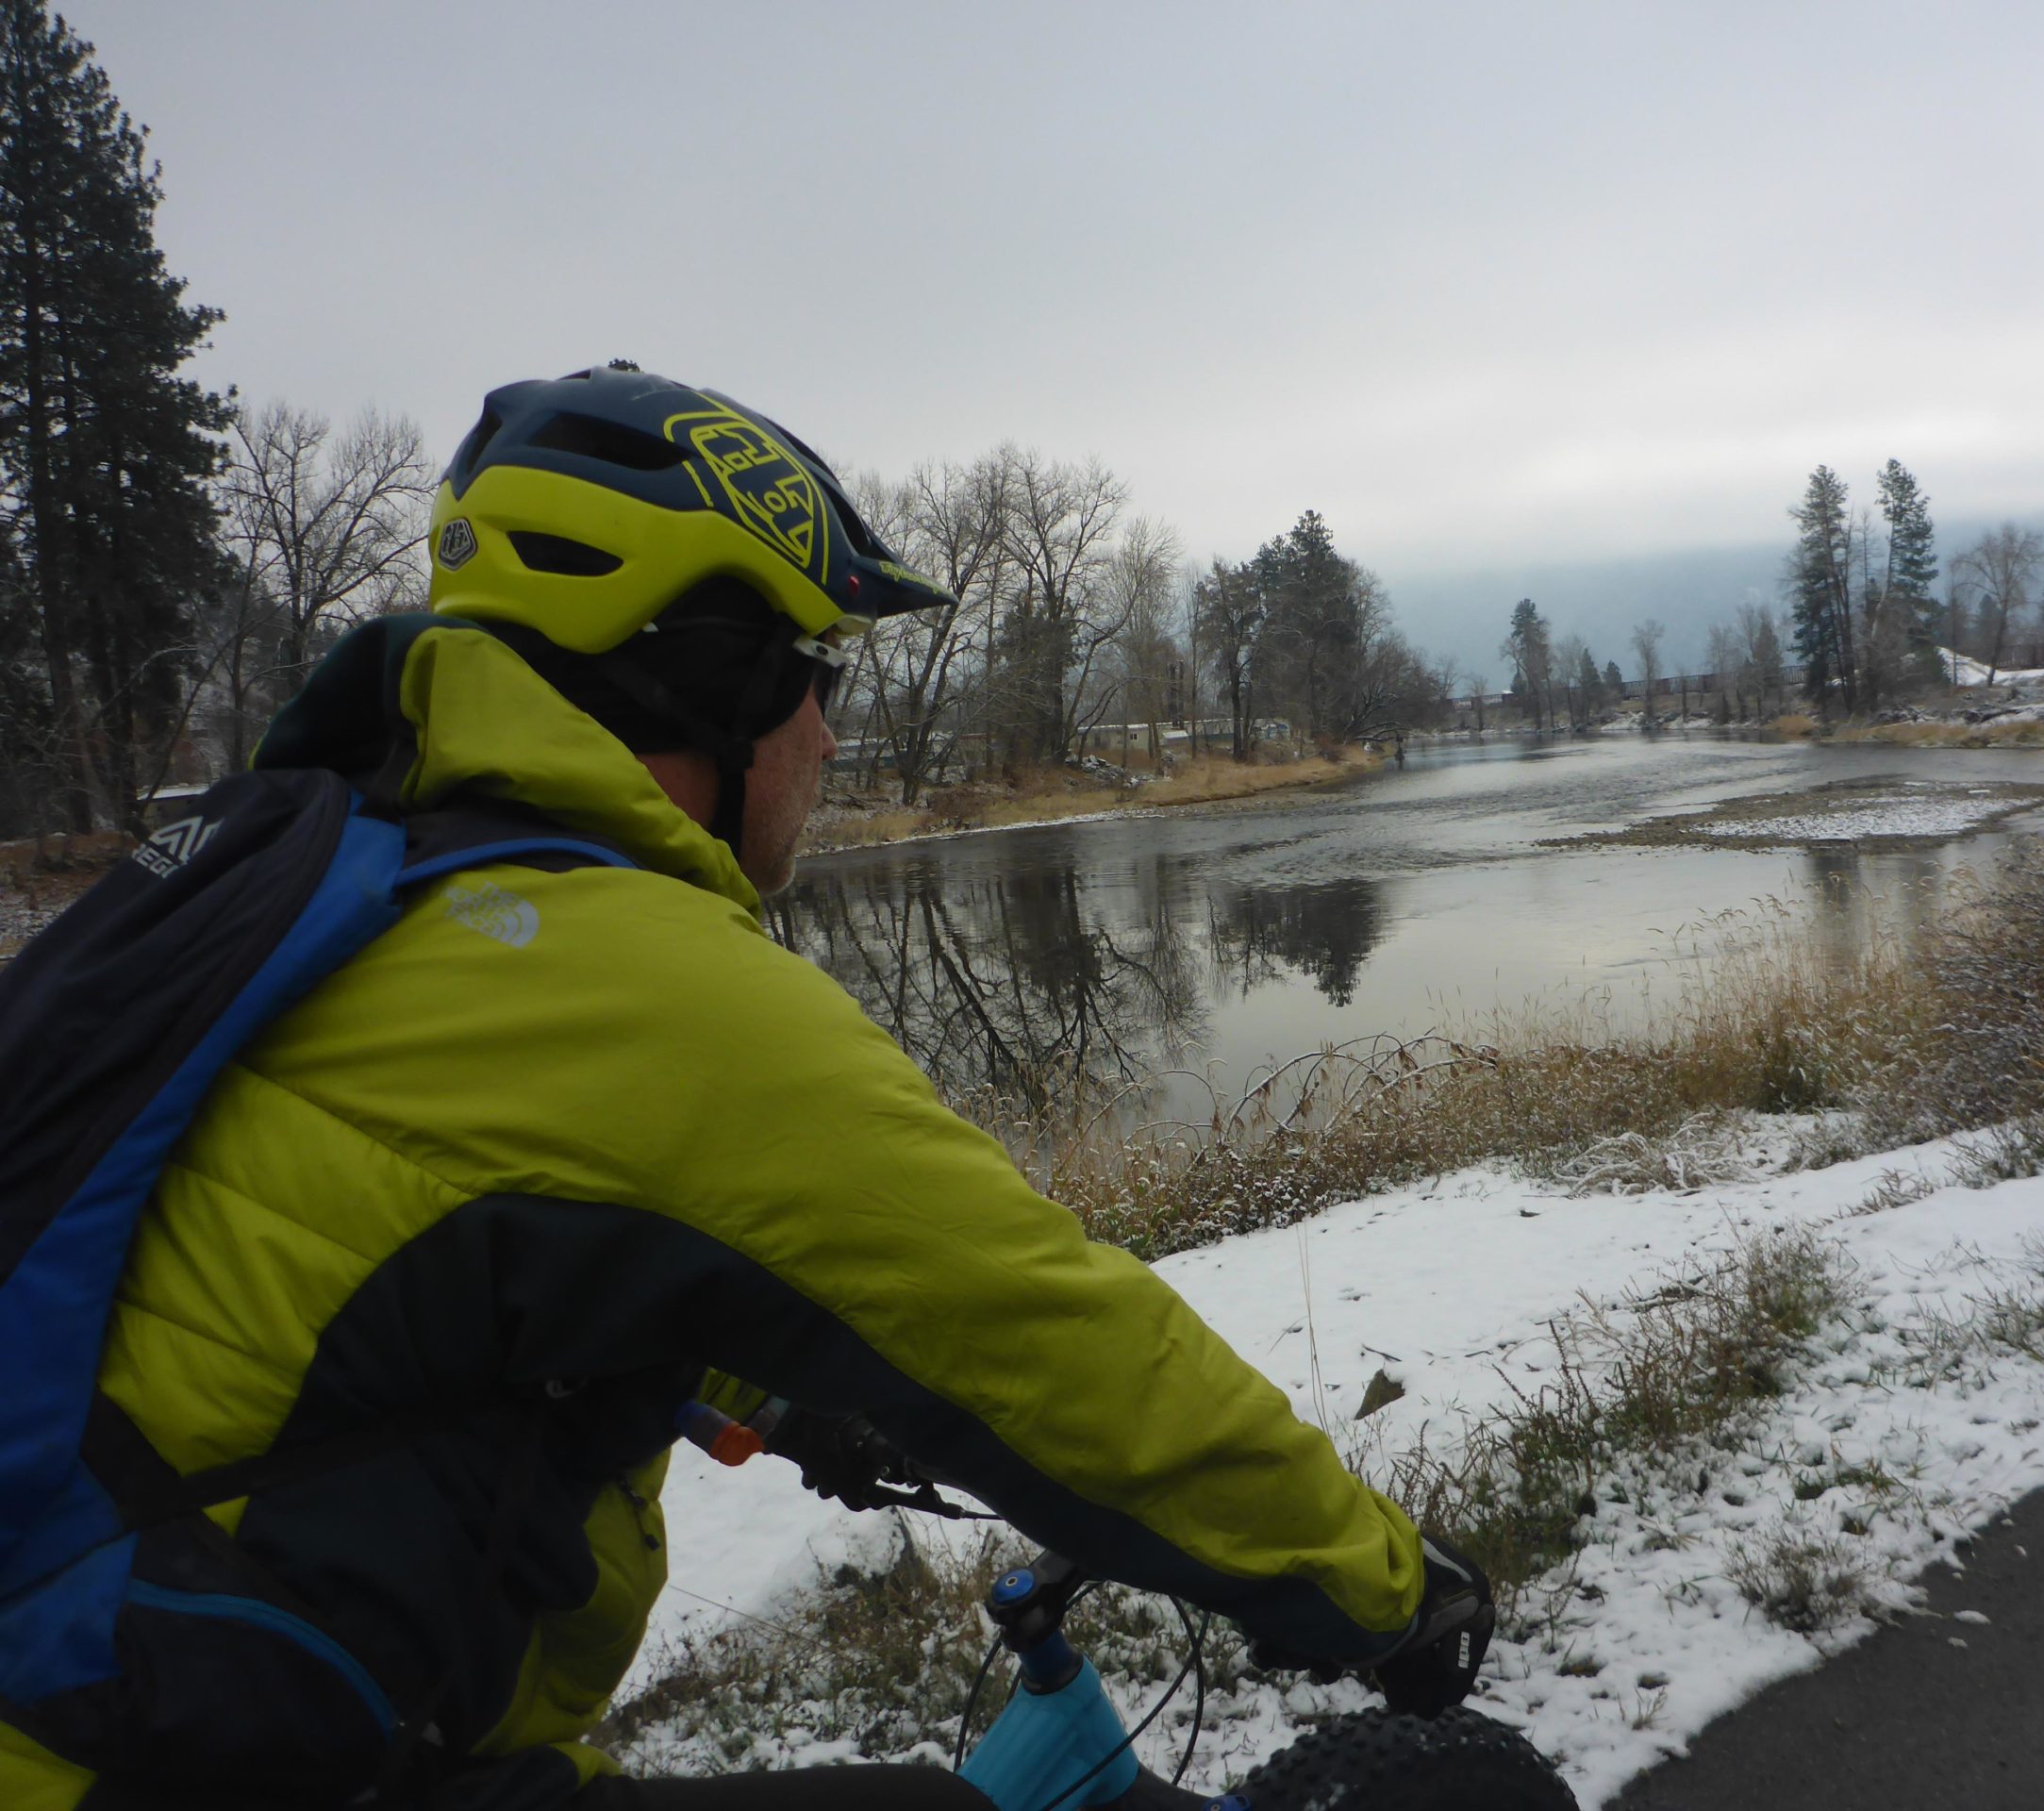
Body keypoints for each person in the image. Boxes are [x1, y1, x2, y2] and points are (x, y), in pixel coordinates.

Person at [0, 366, 1489, 1810]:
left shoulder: (364, 876)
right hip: (181, 1761)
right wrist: (1384, 1591)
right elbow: (1052, 1340)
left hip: (127, 1710)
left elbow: (435, 1249)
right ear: (708, 675)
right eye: (814, 678)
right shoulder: (636, 984)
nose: (832, 736)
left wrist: (770, 1383)